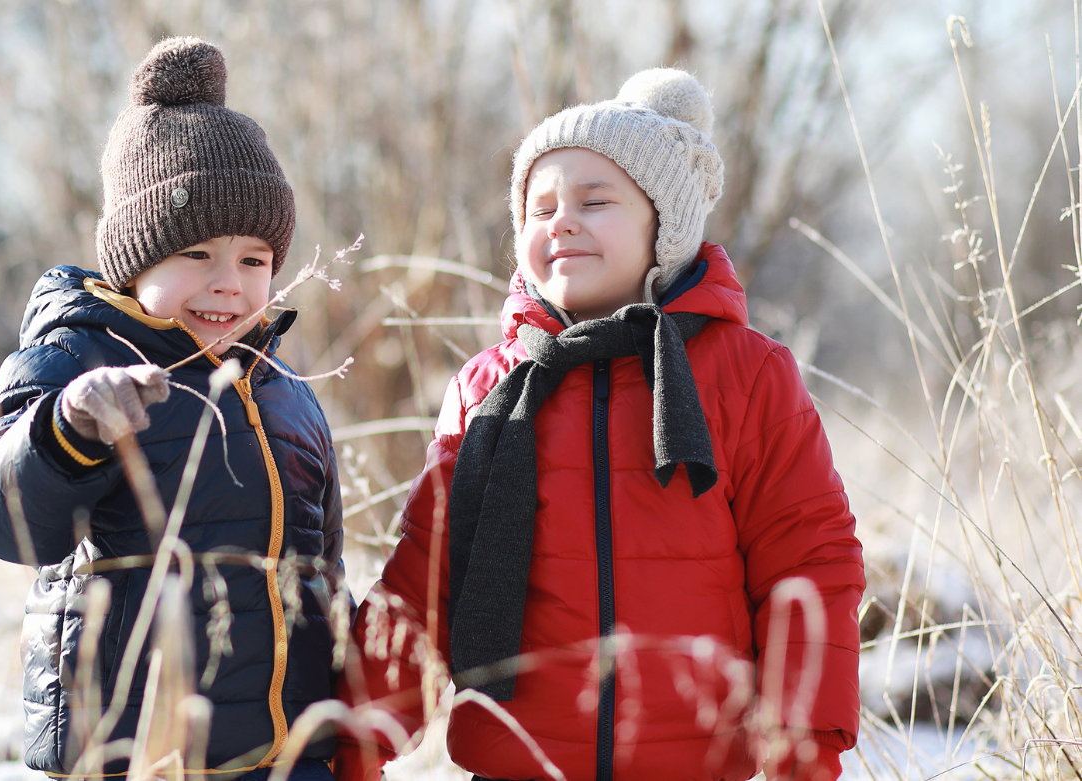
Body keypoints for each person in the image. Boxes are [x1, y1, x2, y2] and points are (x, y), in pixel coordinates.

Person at [333, 69, 864, 781]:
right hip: (519, 762)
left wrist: (804, 746)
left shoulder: (745, 373)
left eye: (595, 200)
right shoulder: (490, 388)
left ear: (662, 228)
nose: (560, 221)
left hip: (697, 762)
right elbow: (427, 577)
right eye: (539, 206)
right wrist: (356, 737)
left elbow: (808, 561)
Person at [0, 37, 343, 780]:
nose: (228, 283)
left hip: (281, 752)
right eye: (196, 254)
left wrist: (333, 729)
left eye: (254, 259)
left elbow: (321, 565)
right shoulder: (80, 362)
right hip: (131, 749)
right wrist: (66, 431)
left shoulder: (285, 391)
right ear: (136, 259)